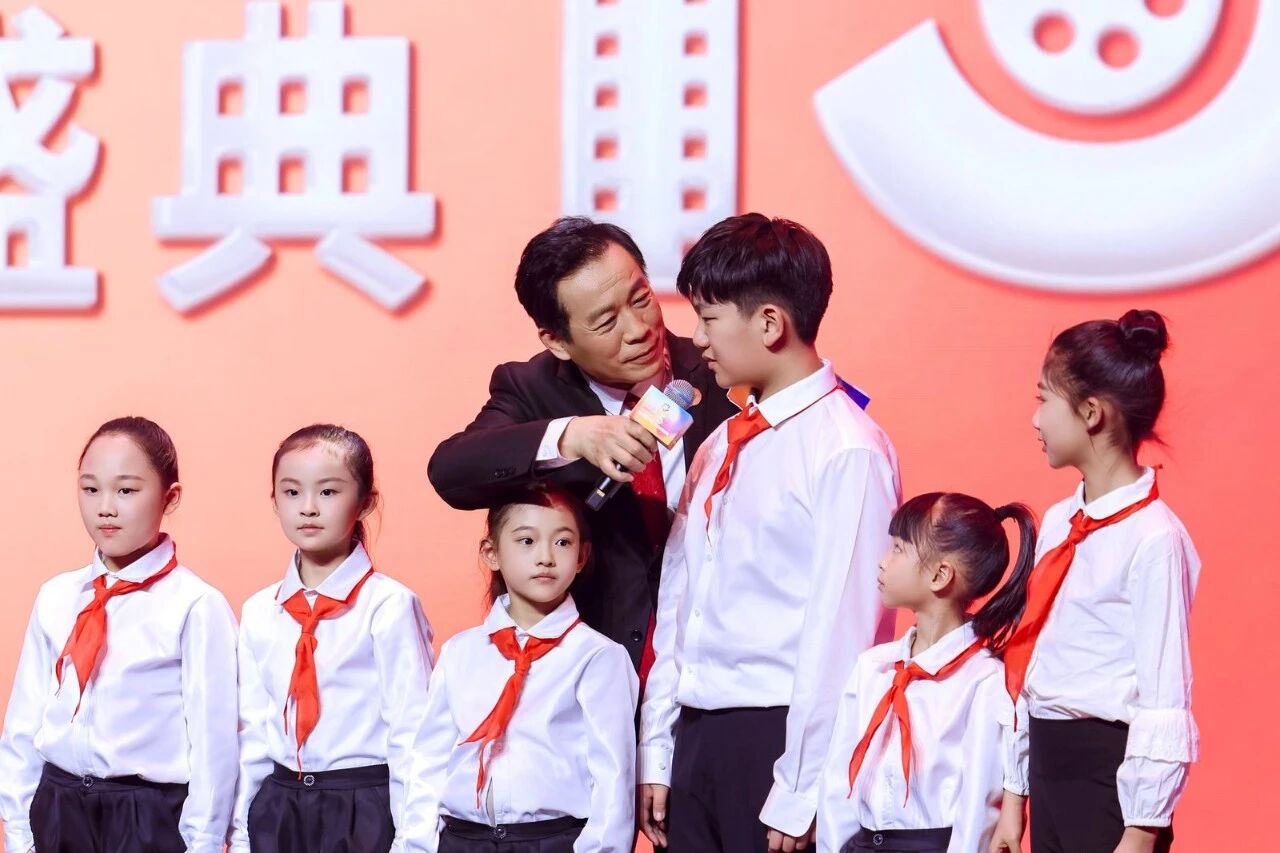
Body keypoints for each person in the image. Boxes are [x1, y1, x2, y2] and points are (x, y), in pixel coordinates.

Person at [638, 213, 901, 853]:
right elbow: (679, 605)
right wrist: (660, 750)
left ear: (770, 324)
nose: (696, 338)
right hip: (696, 739)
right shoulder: (719, 444)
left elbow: (845, 629)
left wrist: (802, 785)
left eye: (708, 318)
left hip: (777, 739)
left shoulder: (846, 448)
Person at [428, 217, 736, 677]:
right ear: (557, 341)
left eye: (641, 299)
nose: (638, 329)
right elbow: (452, 470)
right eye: (606, 321)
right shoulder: (531, 389)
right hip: (583, 674)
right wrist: (570, 436)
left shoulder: (723, 368)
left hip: (717, 666)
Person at [1000, 310, 1199, 853]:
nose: (1035, 419)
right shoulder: (1060, 522)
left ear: (1090, 413)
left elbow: (1165, 694)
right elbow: (1035, 663)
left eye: (1044, 399)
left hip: (1108, 781)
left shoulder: (1155, 539)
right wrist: (1015, 797)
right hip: (1047, 768)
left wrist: (1141, 829)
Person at [0, 417, 238, 853]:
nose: (105, 507)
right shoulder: (57, 596)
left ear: (170, 497)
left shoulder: (196, 605)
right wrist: (18, 830)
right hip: (58, 805)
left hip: (145, 816)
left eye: (126, 491)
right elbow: (23, 723)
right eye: (90, 489)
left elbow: (214, 744)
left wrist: (203, 841)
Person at [231, 424, 435, 853]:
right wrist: (240, 832)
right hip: (278, 806)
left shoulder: (389, 606)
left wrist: (413, 841)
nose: (308, 508)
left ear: (365, 502)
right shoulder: (259, 611)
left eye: (328, 492)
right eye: (291, 492)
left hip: (361, 807)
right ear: (274, 501)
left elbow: (414, 734)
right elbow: (253, 734)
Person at [404, 483, 637, 852]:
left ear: (582, 556)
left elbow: (613, 777)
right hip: (463, 840)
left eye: (563, 542)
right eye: (527, 541)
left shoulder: (598, 656)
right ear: (491, 552)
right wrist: (415, 845)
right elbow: (429, 760)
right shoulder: (460, 652)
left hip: (552, 841)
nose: (546, 557)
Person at [817, 492, 1036, 853]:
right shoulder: (873, 667)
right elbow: (837, 785)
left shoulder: (983, 681)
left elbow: (977, 812)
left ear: (940, 574)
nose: (883, 562)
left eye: (898, 548)